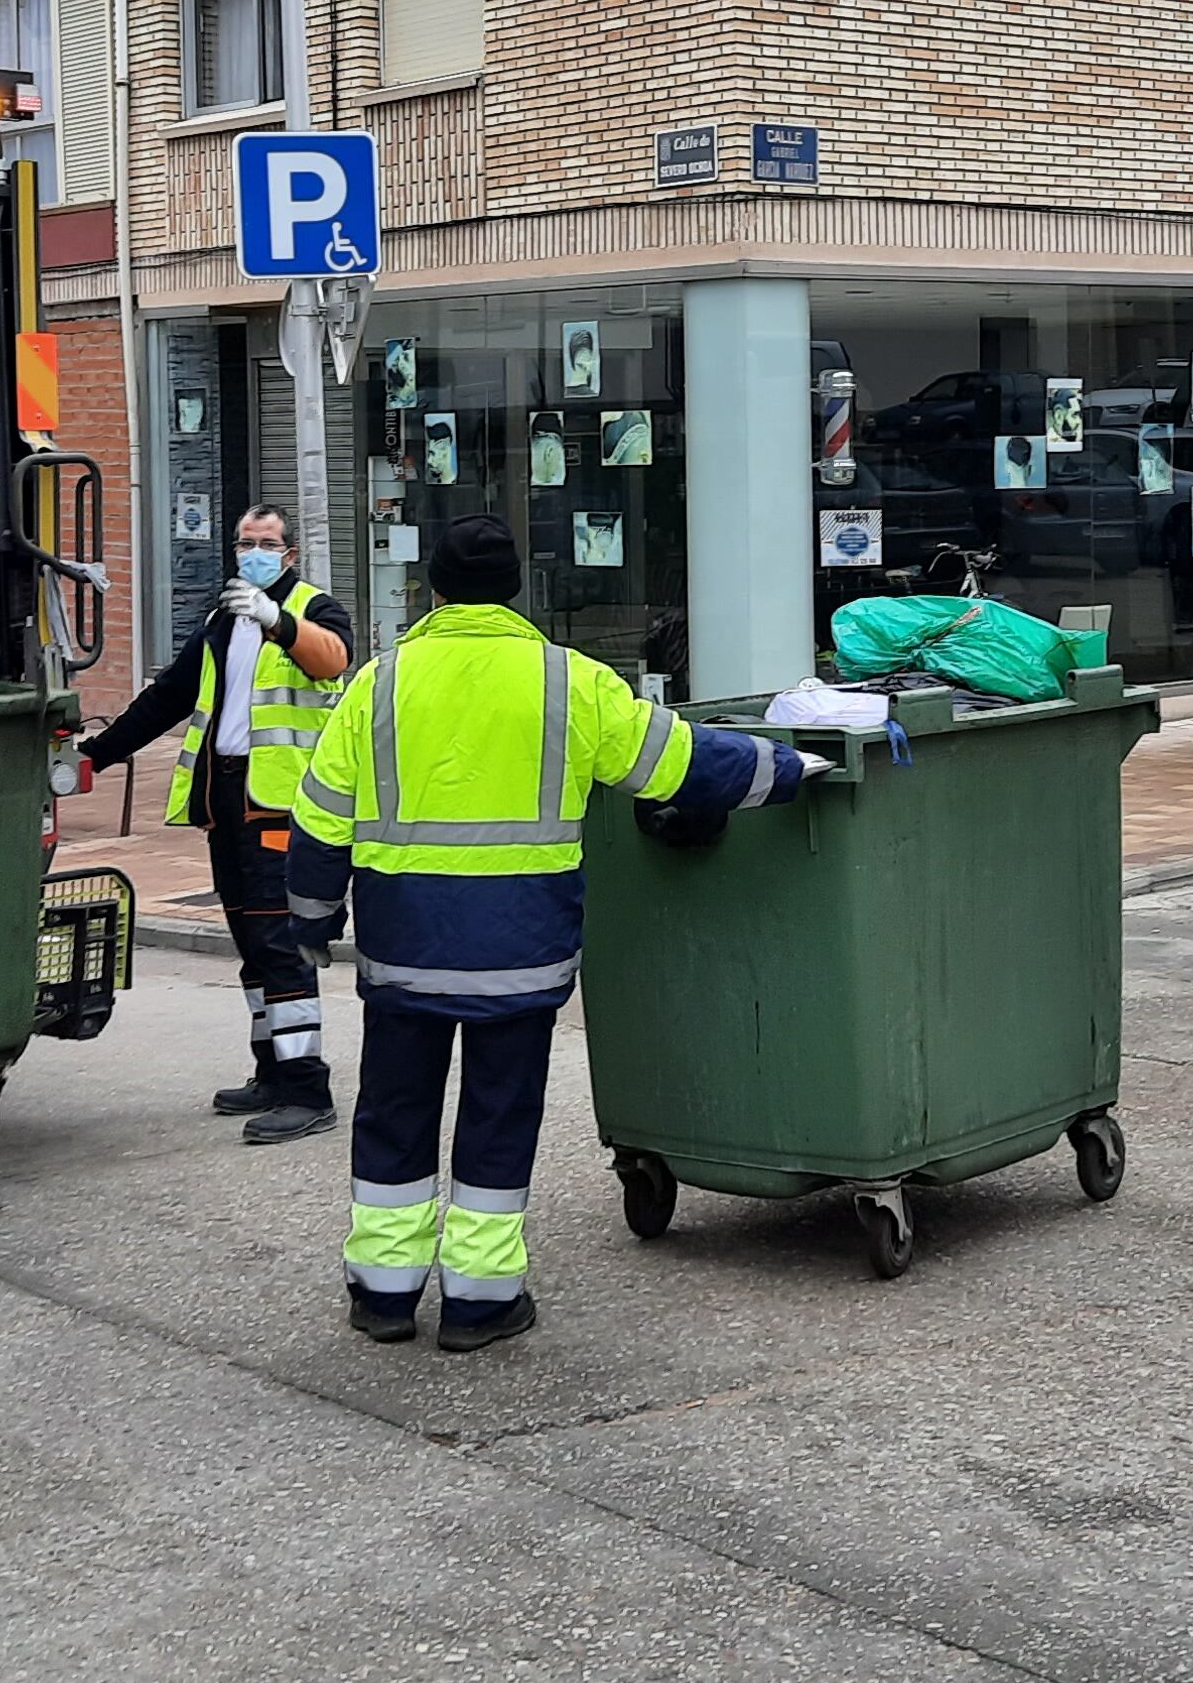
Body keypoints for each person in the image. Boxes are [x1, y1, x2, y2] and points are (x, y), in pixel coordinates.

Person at [284, 514, 808, 1352]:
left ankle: (383, 1295)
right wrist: (788, 770)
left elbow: (319, 821)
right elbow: (675, 762)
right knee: (499, 1116)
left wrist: (311, 922)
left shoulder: (377, 684)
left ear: (435, 591)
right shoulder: (570, 681)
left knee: (393, 1110)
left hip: (403, 953)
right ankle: (480, 1302)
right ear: (516, 591)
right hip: (518, 956)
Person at [75, 504, 357, 1142]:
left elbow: (334, 660)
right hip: (225, 799)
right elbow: (167, 698)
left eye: (267, 543)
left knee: (280, 948)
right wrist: (93, 758)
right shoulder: (220, 622)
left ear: (289, 555)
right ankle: (272, 1073)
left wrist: (278, 621)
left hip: (281, 805)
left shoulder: (313, 608)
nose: (253, 552)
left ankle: (307, 1090)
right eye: (244, 542)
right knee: (252, 950)